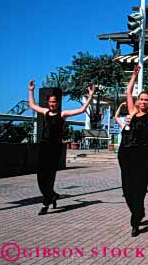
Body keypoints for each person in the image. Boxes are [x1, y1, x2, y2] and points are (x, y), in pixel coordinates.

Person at [28, 80, 95, 215]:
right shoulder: (46, 112)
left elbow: (81, 110)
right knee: (41, 177)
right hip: (43, 146)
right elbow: (32, 105)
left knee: (49, 176)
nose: (53, 104)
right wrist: (31, 90)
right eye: (51, 102)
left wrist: (90, 96)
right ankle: (52, 195)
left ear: (58, 103)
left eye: (55, 102)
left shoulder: (63, 114)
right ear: (48, 103)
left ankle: (46, 203)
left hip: (54, 148)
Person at [121, 64, 148, 237]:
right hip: (125, 153)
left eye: (147, 99)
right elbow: (128, 93)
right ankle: (138, 211)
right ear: (138, 101)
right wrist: (134, 75)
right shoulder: (132, 110)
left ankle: (136, 220)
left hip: (141, 154)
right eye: (142, 99)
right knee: (127, 189)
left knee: (140, 187)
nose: (144, 101)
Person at [115, 102, 132, 196]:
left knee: (131, 172)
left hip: (132, 153)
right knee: (124, 172)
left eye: (129, 118)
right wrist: (121, 106)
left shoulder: (135, 128)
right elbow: (116, 117)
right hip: (122, 152)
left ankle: (131, 189)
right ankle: (125, 190)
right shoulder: (123, 126)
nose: (128, 120)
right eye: (127, 118)